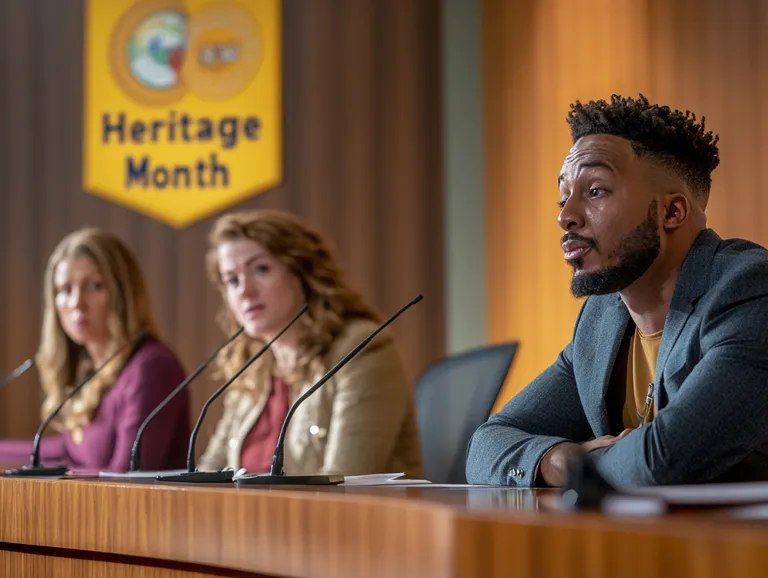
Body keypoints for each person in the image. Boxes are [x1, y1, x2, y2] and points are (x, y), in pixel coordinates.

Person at [466, 94, 768, 487]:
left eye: (595, 191)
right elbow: (487, 443)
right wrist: (561, 459)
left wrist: (581, 464)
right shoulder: (602, 320)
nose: (565, 217)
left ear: (671, 212)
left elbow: (665, 458)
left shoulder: (749, 292)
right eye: (564, 197)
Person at [197, 209, 423, 478]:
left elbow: (345, 481)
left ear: (303, 273)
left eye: (261, 269)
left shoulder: (360, 349)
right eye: (232, 280)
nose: (245, 291)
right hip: (252, 520)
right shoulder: (253, 367)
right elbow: (207, 474)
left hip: (349, 519)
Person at [0, 228, 190, 472]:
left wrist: (59, 475)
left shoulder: (151, 367)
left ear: (124, 293)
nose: (77, 303)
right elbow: (65, 451)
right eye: (66, 290)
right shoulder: (90, 369)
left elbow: (124, 479)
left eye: (94, 286)